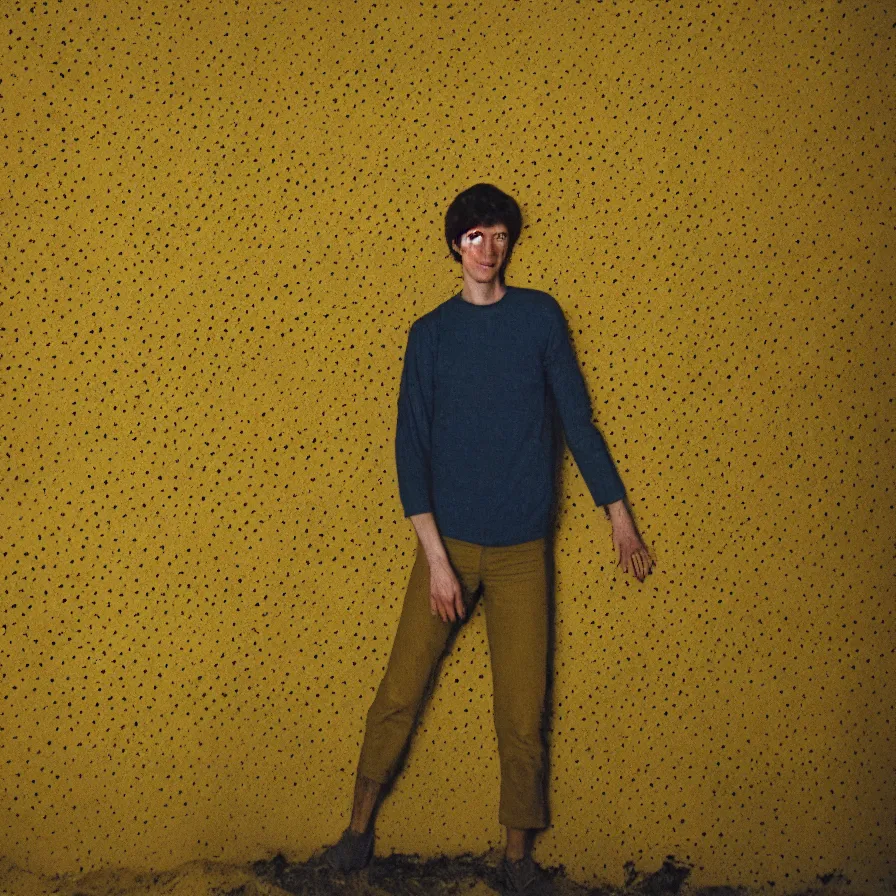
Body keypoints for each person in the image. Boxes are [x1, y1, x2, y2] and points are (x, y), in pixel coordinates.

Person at [323, 184, 653, 894]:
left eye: (498, 234)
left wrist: (617, 513)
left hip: (522, 555)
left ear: (510, 241)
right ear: (454, 245)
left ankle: (516, 861)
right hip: (448, 547)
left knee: (522, 709)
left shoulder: (539, 319)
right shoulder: (430, 335)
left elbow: (579, 420)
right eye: (474, 236)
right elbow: (409, 454)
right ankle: (354, 833)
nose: (487, 248)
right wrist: (437, 563)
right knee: (399, 692)